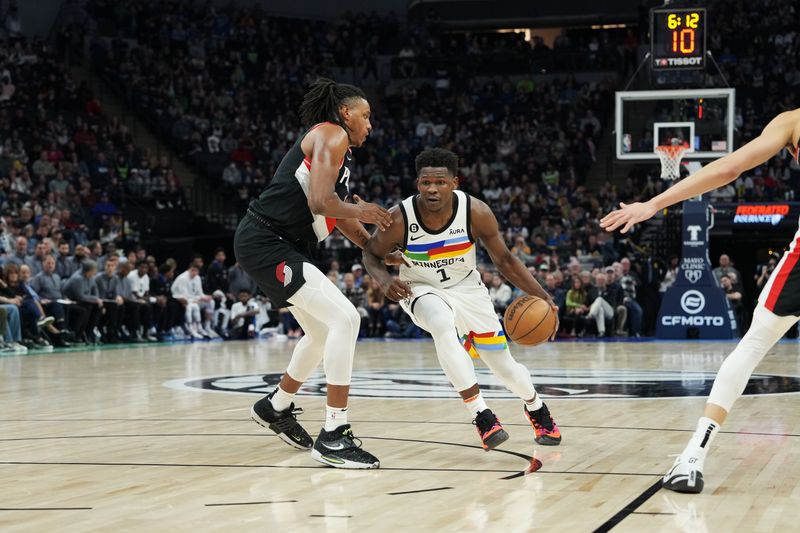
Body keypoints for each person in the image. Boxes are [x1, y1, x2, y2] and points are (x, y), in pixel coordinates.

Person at [600, 108, 800, 493]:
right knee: (755, 341)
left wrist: (655, 203)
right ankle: (693, 454)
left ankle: (692, 456)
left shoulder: (792, 122)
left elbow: (730, 169)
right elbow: (729, 167)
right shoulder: (791, 122)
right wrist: (655, 203)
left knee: (753, 345)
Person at [233, 78, 390, 469]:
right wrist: (365, 211)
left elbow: (333, 211)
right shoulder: (331, 134)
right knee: (346, 318)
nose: (370, 125)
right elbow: (323, 201)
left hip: (283, 243)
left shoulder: (340, 154)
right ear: (345, 113)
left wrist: (383, 252)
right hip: (267, 239)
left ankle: (276, 405)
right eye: (366, 115)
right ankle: (335, 433)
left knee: (321, 331)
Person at [363, 148, 561, 451]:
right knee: (442, 324)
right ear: (417, 184)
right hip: (419, 287)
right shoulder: (400, 218)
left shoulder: (476, 212)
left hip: (469, 289)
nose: (432, 188)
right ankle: (481, 414)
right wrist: (384, 279)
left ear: (454, 182)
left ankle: (535, 406)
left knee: (505, 368)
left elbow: (505, 260)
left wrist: (544, 297)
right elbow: (371, 254)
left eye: (440, 182)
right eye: (426, 182)